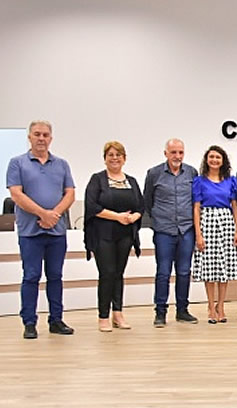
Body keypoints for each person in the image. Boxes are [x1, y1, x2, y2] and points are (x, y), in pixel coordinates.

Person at [6, 120, 75, 339]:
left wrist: (53, 215)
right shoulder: (17, 163)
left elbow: (70, 193)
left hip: (56, 232)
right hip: (30, 232)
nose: (41, 138)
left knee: (55, 276)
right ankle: (29, 322)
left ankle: (56, 320)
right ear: (29, 137)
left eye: (45, 135)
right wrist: (43, 214)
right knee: (31, 276)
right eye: (37, 134)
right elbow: (16, 194)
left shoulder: (62, 164)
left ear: (51, 138)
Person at [83, 141, 144, 332]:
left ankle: (118, 313)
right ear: (105, 159)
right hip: (103, 234)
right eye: (111, 155)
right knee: (107, 273)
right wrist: (117, 217)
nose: (115, 158)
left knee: (118, 273)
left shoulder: (131, 181)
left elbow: (140, 206)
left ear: (124, 159)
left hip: (125, 234)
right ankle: (103, 316)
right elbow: (92, 206)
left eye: (118, 155)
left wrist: (133, 217)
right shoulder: (97, 180)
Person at [144, 138, 199, 327]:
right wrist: (158, 222)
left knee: (184, 271)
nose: (177, 156)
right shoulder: (154, 174)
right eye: (173, 152)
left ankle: (182, 310)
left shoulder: (191, 172)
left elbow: (195, 201)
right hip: (164, 231)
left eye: (180, 152)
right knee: (163, 272)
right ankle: (160, 312)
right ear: (165, 153)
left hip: (186, 230)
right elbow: (147, 202)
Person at [192, 145, 237, 324]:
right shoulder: (199, 181)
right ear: (206, 160)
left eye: (218, 157)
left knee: (224, 266)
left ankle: (221, 306)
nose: (214, 160)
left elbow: (235, 205)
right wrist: (198, 234)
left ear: (223, 161)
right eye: (211, 157)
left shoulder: (230, 180)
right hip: (207, 221)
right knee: (209, 267)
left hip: (226, 222)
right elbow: (196, 208)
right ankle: (211, 307)